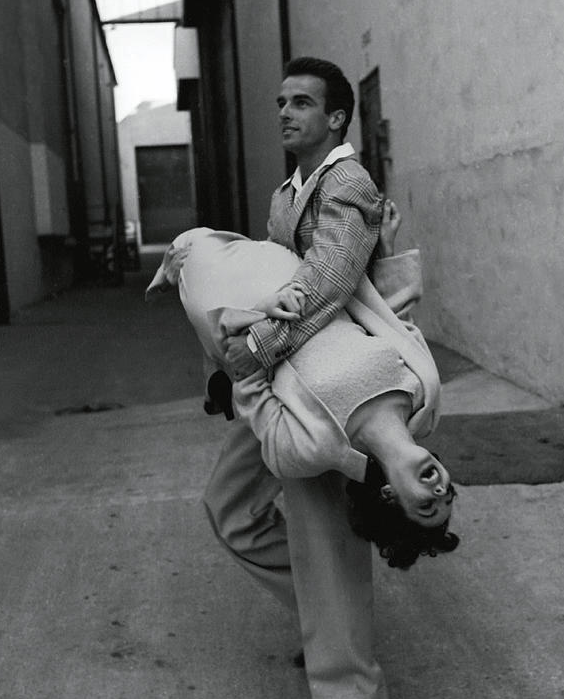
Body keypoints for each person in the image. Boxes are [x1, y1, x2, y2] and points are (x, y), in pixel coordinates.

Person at [182, 57, 451, 699]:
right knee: (231, 508)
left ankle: (353, 690)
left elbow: (324, 289)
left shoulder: (347, 185)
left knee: (320, 532)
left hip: (334, 384)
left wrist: (247, 352)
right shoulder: (289, 191)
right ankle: (326, 623)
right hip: (286, 375)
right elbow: (280, 278)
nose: (284, 113)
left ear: (335, 116)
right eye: (280, 101)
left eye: (301, 102)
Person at [146, 213, 460, 549]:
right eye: (448, 496)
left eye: (427, 506)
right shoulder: (424, 400)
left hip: (253, 308)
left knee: (193, 247)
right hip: (303, 275)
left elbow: (250, 389)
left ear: (388, 495)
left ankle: (177, 277)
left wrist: (257, 320)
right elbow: (396, 318)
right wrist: (385, 248)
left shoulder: (317, 448)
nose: (439, 492)